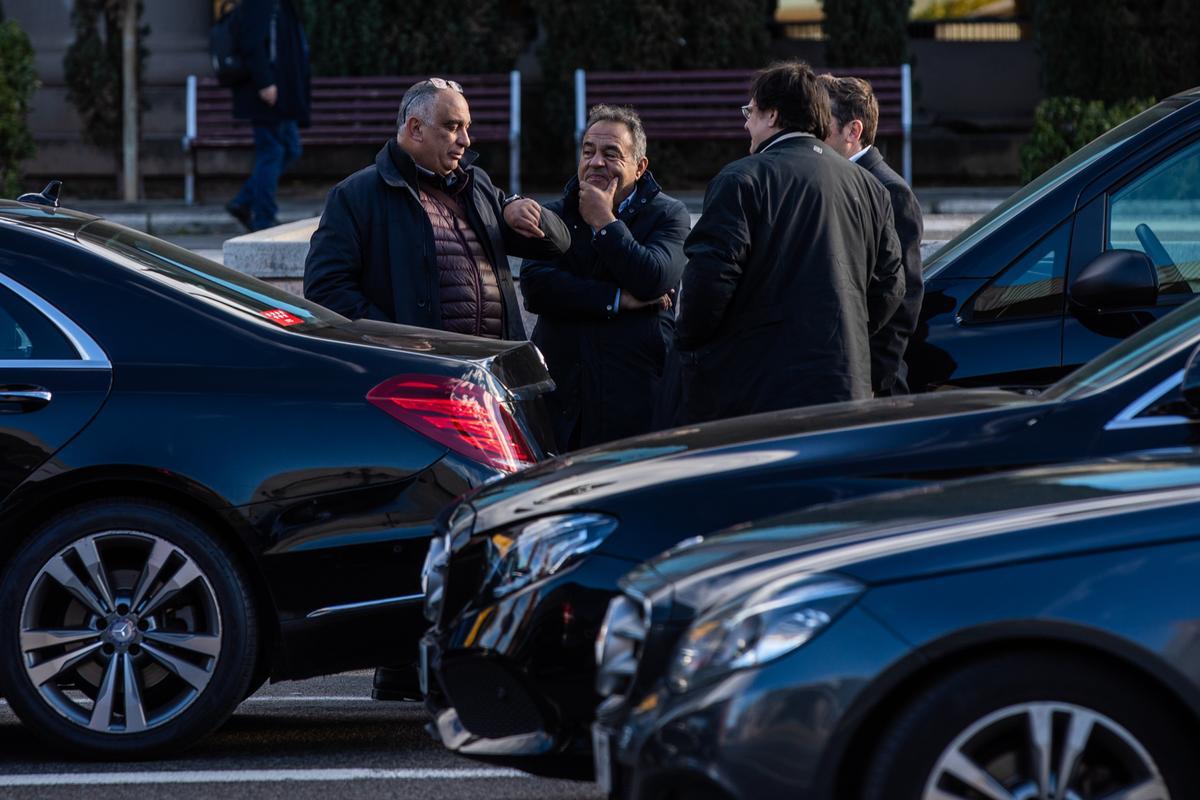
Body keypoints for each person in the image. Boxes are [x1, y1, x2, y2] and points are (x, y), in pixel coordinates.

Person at [675, 60, 904, 424]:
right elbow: (890, 286)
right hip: (846, 383)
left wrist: (689, 342)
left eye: (750, 112)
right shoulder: (870, 187)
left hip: (761, 390)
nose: (746, 123)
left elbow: (708, 285)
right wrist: (846, 331)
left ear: (772, 115)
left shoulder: (740, 179)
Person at [303, 79, 569, 339]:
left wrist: (520, 208)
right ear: (416, 128)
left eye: (467, 127)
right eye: (452, 126)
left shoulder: (477, 186)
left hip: (491, 369)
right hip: (420, 371)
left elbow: (556, 245)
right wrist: (395, 340)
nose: (466, 140)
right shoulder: (356, 194)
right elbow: (325, 289)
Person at [521, 105, 690, 450]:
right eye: (588, 151)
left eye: (611, 154)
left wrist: (605, 222)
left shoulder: (669, 214)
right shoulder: (555, 213)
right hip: (564, 398)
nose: (596, 162)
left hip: (637, 399)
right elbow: (537, 286)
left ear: (640, 167)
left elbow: (653, 278)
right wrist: (618, 299)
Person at [821, 74, 925, 395]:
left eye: (822, 122)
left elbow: (903, 299)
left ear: (853, 131)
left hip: (875, 381)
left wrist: (877, 380)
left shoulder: (890, 189)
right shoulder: (833, 179)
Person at [226, 0, 311, 232]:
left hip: (281, 94)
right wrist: (265, 83)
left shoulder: (282, 5)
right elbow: (252, 44)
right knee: (272, 151)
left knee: (289, 148)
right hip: (267, 95)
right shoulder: (261, 4)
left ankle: (244, 201)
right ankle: (263, 216)